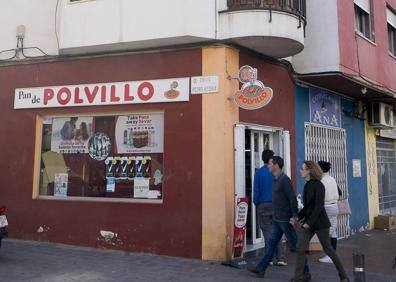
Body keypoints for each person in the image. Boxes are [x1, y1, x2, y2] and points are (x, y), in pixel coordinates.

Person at [248, 156, 310, 279]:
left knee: (296, 246)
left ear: (276, 165)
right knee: (271, 244)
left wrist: (294, 216)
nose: (268, 166)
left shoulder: (284, 180)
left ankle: (306, 272)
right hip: (277, 218)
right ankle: (261, 268)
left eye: (270, 164)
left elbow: (292, 198)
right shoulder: (275, 179)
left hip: (285, 220)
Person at [292, 161, 349, 282]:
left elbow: (318, 206)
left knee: (328, 249)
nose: (300, 171)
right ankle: (298, 278)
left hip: (320, 223)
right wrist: (297, 216)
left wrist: (308, 223)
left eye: (303, 169)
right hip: (309, 222)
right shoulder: (307, 185)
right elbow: (308, 207)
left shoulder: (319, 185)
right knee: (300, 247)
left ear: (309, 171)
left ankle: (343, 276)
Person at [253, 150, 287, 266]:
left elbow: (256, 191)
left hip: (263, 204)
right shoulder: (276, 172)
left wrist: (256, 203)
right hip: (277, 204)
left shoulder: (259, 173)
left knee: (267, 232)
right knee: (277, 231)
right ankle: (281, 257)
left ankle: (270, 257)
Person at [318, 160, 339, 264]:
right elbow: (339, 192)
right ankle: (333, 254)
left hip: (326, 207)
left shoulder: (321, 180)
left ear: (320, 169)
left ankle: (330, 255)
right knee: (333, 232)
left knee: (325, 233)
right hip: (335, 206)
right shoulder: (332, 179)